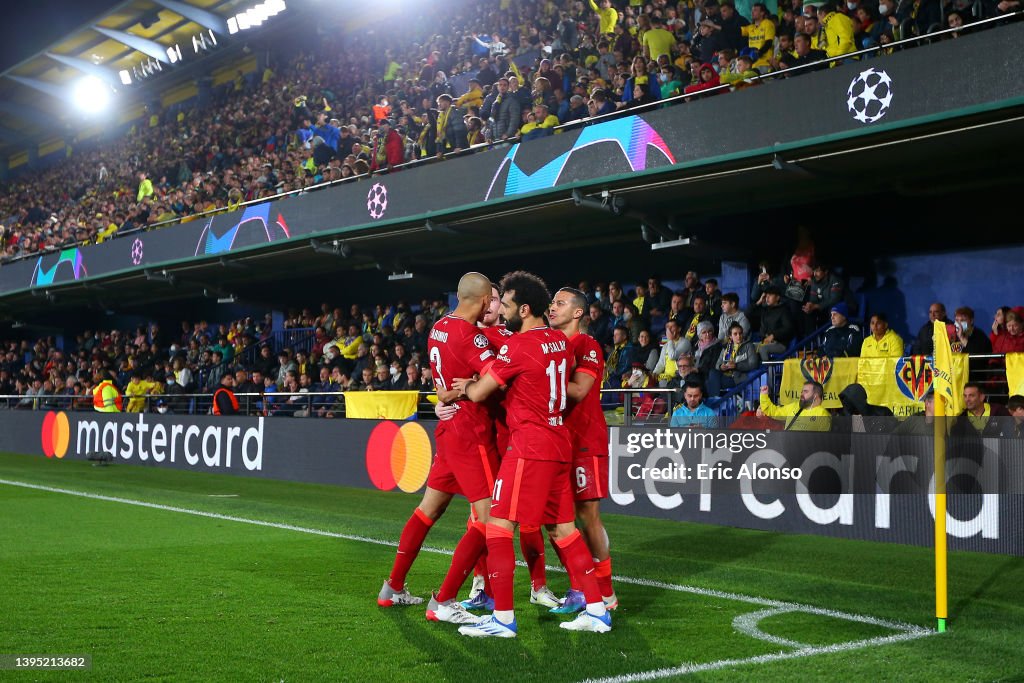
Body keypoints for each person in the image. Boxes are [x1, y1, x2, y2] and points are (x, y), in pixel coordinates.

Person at [453, 271, 611, 637]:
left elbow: (479, 394)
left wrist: (467, 386)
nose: (502, 310)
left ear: (524, 309)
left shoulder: (517, 346)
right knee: (564, 529)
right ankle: (598, 609)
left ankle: (503, 618)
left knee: (498, 525)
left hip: (529, 446)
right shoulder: (558, 340)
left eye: (506, 305)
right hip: (558, 442)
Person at [378, 272, 498, 630]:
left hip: (448, 431)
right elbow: (495, 378)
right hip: (472, 433)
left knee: (428, 509)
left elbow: (442, 384)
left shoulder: (439, 327)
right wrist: (471, 386)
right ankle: (444, 600)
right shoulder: (471, 335)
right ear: (480, 300)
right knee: (490, 518)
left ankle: (392, 587)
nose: (493, 305)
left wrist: (449, 394)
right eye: (491, 299)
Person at [546, 287, 618, 613]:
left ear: (577, 313)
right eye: (552, 303)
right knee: (555, 520)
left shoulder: (586, 345)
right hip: (557, 442)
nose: (552, 307)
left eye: (560, 303)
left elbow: (580, 390)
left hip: (585, 440)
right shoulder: (552, 347)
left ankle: (605, 593)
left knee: (588, 516)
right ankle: (579, 586)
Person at [707, 322, 761, 398]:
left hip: (737, 377)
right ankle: (715, 400)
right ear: (730, 336)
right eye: (735, 334)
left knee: (709, 383)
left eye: (740, 333)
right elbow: (717, 364)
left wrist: (736, 366)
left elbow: (753, 364)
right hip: (724, 375)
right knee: (712, 373)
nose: (738, 336)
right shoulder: (726, 348)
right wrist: (721, 367)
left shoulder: (749, 346)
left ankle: (714, 401)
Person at [758, 381, 832, 431]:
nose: (801, 394)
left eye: (805, 391)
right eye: (802, 391)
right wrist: (764, 395)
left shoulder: (823, 414)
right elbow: (774, 412)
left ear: (815, 395)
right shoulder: (795, 406)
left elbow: (822, 441)